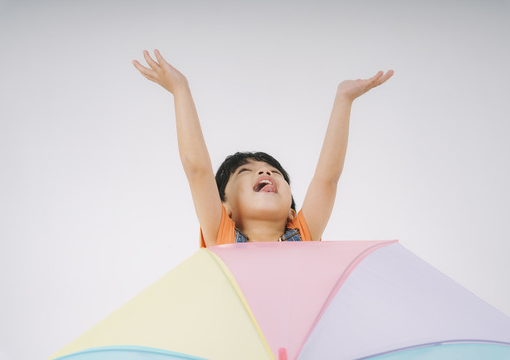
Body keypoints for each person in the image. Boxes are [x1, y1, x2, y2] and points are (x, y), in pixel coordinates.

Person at [132, 49, 393, 248]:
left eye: (274, 172)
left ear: (291, 212)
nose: (264, 174)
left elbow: (328, 179)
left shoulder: (302, 235)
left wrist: (343, 99)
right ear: (225, 207)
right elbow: (197, 169)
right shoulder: (222, 237)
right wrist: (180, 89)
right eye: (245, 171)